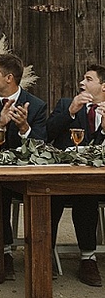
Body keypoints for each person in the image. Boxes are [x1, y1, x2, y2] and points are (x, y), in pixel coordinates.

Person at [0, 53, 47, 280]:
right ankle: (2, 253)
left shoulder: (36, 106)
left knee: (42, 194)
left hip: (24, 174)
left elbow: (41, 147)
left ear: (9, 78)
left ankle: (41, 258)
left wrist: (24, 127)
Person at [46, 64, 105, 287]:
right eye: (82, 78)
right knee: (49, 195)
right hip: (62, 178)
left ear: (103, 86)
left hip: (95, 182)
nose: (82, 82)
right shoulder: (65, 104)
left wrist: (104, 130)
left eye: (88, 79)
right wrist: (71, 111)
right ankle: (45, 252)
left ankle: (88, 259)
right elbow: (47, 133)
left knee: (87, 195)